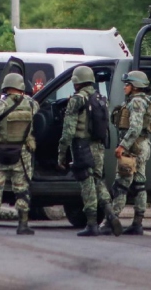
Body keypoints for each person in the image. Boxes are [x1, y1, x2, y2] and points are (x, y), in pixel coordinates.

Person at [58, 66, 122, 237]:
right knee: (98, 181)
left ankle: (92, 223)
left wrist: (62, 153)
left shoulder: (77, 100)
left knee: (86, 183)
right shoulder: (101, 98)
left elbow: (68, 131)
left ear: (76, 82)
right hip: (99, 146)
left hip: (82, 146)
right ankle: (110, 213)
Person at [0, 73, 39, 235]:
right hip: (22, 154)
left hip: (0, 152)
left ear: (5, 86)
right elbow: (38, 108)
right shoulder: (31, 105)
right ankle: (23, 224)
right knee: (22, 188)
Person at [106, 70, 151, 236]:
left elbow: (134, 128)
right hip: (143, 146)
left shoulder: (135, 102)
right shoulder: (145, 101)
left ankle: (111, 221)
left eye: (127, 84)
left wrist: (122, 146)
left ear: (134, 87)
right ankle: (137, 223)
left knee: (121, 183)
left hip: (133, 148)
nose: (124, 87)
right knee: (140, 184)